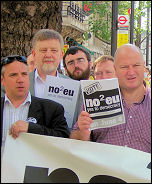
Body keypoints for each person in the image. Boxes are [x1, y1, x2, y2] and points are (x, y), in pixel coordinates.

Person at [70, 44, 151, 153]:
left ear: (144, 66)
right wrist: (83, 132)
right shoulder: (96, 100)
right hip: (101, 169)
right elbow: (74, 144)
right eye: (124, 67)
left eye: (136, 65)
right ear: (115, 69)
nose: (131, 72)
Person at [1, 55, 70, 155]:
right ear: (2, 80)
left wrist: (31, 128)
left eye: (24, 74)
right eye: (13, 75)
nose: (20, 80)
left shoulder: (51, 109)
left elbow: (64, 141)